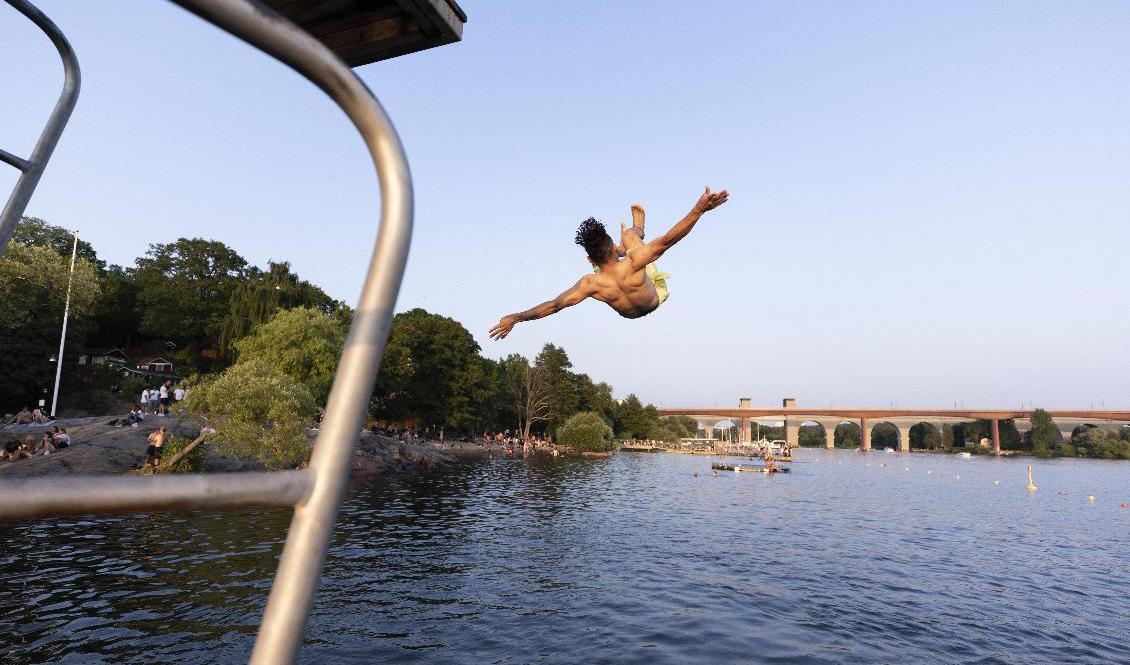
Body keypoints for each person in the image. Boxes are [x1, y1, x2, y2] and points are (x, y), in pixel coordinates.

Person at [490, 186, 729, 340]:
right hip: (655, 295)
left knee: (606, 268)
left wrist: (516, 318)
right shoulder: (634, 262)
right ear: (612, 250)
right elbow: (668, 240)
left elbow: (553, 306)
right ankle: (635, 232)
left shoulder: (589, 284)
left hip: (625, 308)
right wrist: (699, 210)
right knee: (633, 238)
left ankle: (619, 245)